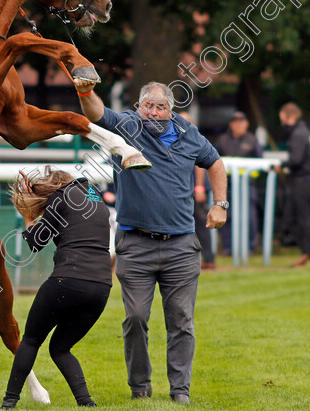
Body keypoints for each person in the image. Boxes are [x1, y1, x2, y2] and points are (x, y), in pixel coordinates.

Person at [75, 80, 228, 405]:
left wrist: (220, 203)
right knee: (135, 318)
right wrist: (86, 91)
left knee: (181, 322)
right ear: (139, 108)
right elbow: (97, 113)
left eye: (161, 107)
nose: (154, 113)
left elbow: (215, 162)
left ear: (171, 111)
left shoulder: (189, 135)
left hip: (182, 248)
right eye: (148, 106)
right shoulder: (128, 127)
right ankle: (140, 386)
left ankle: (180, 391)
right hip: (136, 245)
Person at [1, 167, 112, 409]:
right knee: (61, 348)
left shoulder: (61, 197)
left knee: (30, 340)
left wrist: (28, 215)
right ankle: (86, 403)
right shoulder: (95, 194)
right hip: (102, 287)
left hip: (68, 281)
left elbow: (34, 241)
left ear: (54, 186)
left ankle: (9, 402)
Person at [274, 102, 310, 267]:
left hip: (302, 183)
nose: (283, 124)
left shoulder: (298, 134)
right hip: (307, 182)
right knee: (301, 218)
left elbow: (296, 159)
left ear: (291, 116)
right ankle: (309, 252)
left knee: (304, 219)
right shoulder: (305, 132)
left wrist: (281, 166)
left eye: (283, 119)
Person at [215, 111, 263, 255]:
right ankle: (228, 247)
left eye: (241, 121)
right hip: (228, 186)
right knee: (227, 216)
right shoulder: (222, 140)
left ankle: (250, 247)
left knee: (250, 216)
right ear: (231, 124)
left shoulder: (252, 140)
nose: (238, 124)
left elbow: (260, 162)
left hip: (248, 185)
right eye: (235, 121)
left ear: (246, 124)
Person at [177, 112, 216, 270]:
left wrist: (199, 187)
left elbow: (199, 166)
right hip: (182, 189)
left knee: (201, 223)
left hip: (194, 188)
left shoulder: (193, 139)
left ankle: (209, 258)